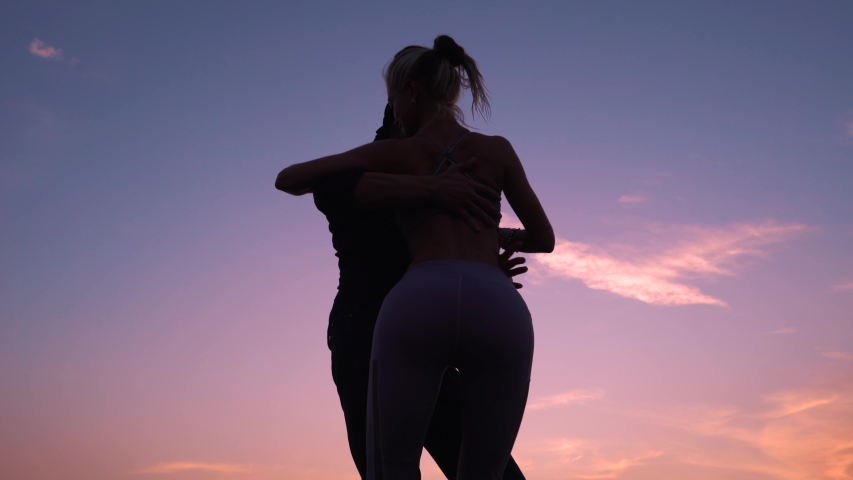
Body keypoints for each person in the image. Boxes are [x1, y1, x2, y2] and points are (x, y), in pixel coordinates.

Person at [277, 35, 554, 479]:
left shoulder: (394, 155)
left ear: (410, 92)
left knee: (391, 468)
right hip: (494, 302)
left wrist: (480, 239)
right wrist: (489, 243)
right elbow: (544, 238)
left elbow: (289, 178)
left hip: (409, 310)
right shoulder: (496, 148)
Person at [310, 104, 530, 480]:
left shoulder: (424, 175)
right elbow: (301, 181)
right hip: (368, 330)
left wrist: (477, 260)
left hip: (416, 324)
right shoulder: (362, 176)